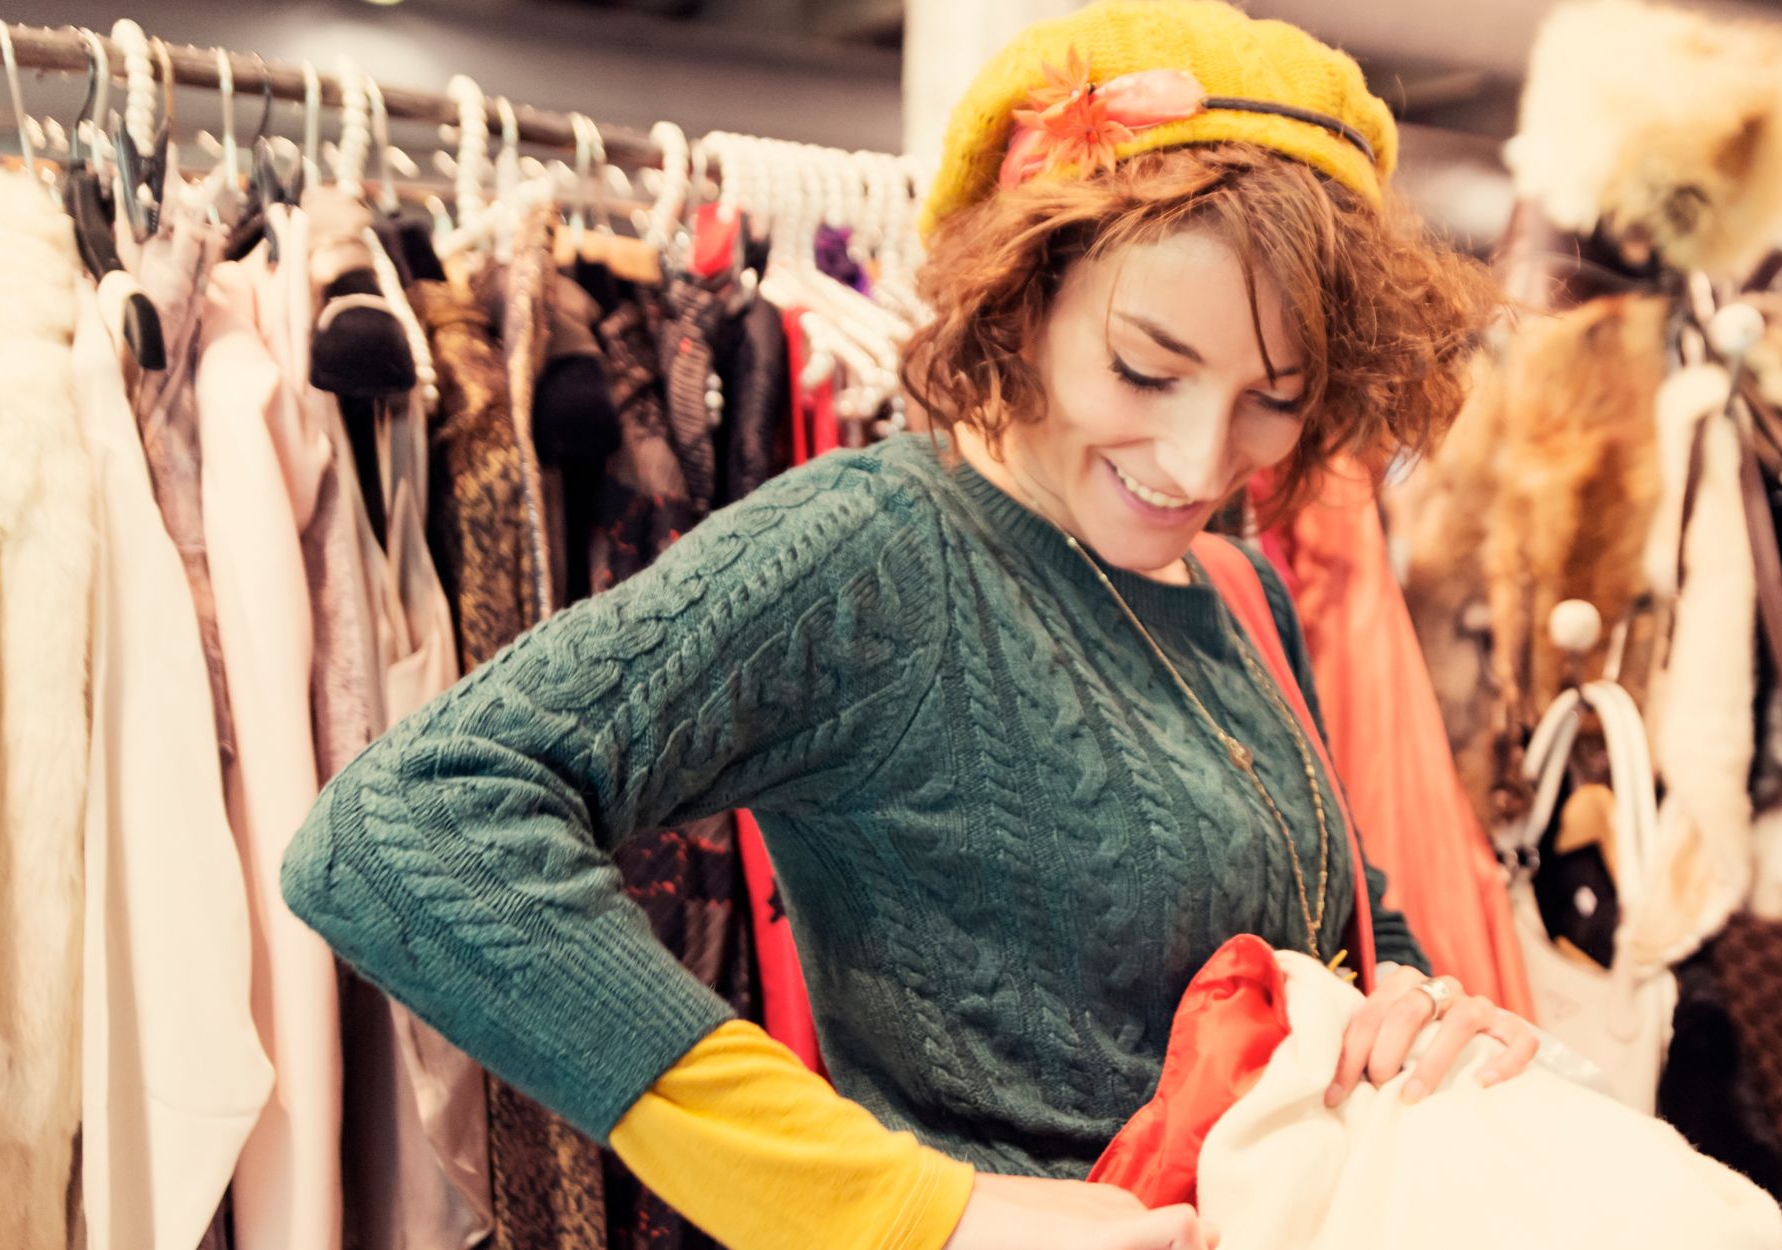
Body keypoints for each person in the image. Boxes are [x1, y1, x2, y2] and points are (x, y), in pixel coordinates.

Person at [281, 2, 1514, 1247]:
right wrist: (899, 1205)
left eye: (1273, 397)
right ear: (1023, 297)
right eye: (1145, 369)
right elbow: (405, 822)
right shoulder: (878, 551)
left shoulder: (1238, 585)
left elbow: (1329, 897)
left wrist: (1408, 1000)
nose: (1201, 459)